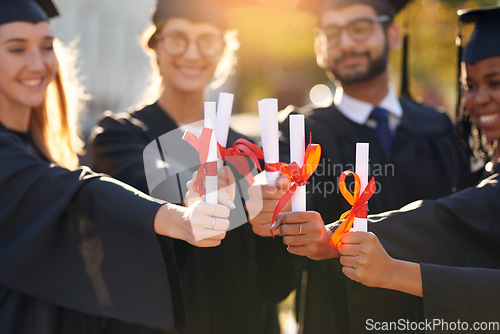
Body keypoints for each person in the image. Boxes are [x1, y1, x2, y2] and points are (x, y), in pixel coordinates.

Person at [0, 0, 234, 333]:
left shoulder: (42, 150)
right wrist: (180, 219)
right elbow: (78, 191)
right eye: (17, 49)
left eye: (47, 46)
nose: (37, 63)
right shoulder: (116, 136)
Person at [245, 0, 469, 332]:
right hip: (341, 319)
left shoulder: (437, 127)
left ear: (392, 35)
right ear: (320, 48)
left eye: (360, 28)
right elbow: (275, 179)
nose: (347, 43)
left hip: (431, 316)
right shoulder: (297, 133)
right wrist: (266, 199)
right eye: (332, 34)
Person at [89, 0, 281, 333]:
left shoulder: (249, 151)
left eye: (206, 40)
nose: (192, 54)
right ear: (155, 46)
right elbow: (152, 184)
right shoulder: (119, 137)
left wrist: (278, 218)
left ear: (223, 52)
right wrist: (243, 189)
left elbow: (274, 284)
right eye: (178, 38)